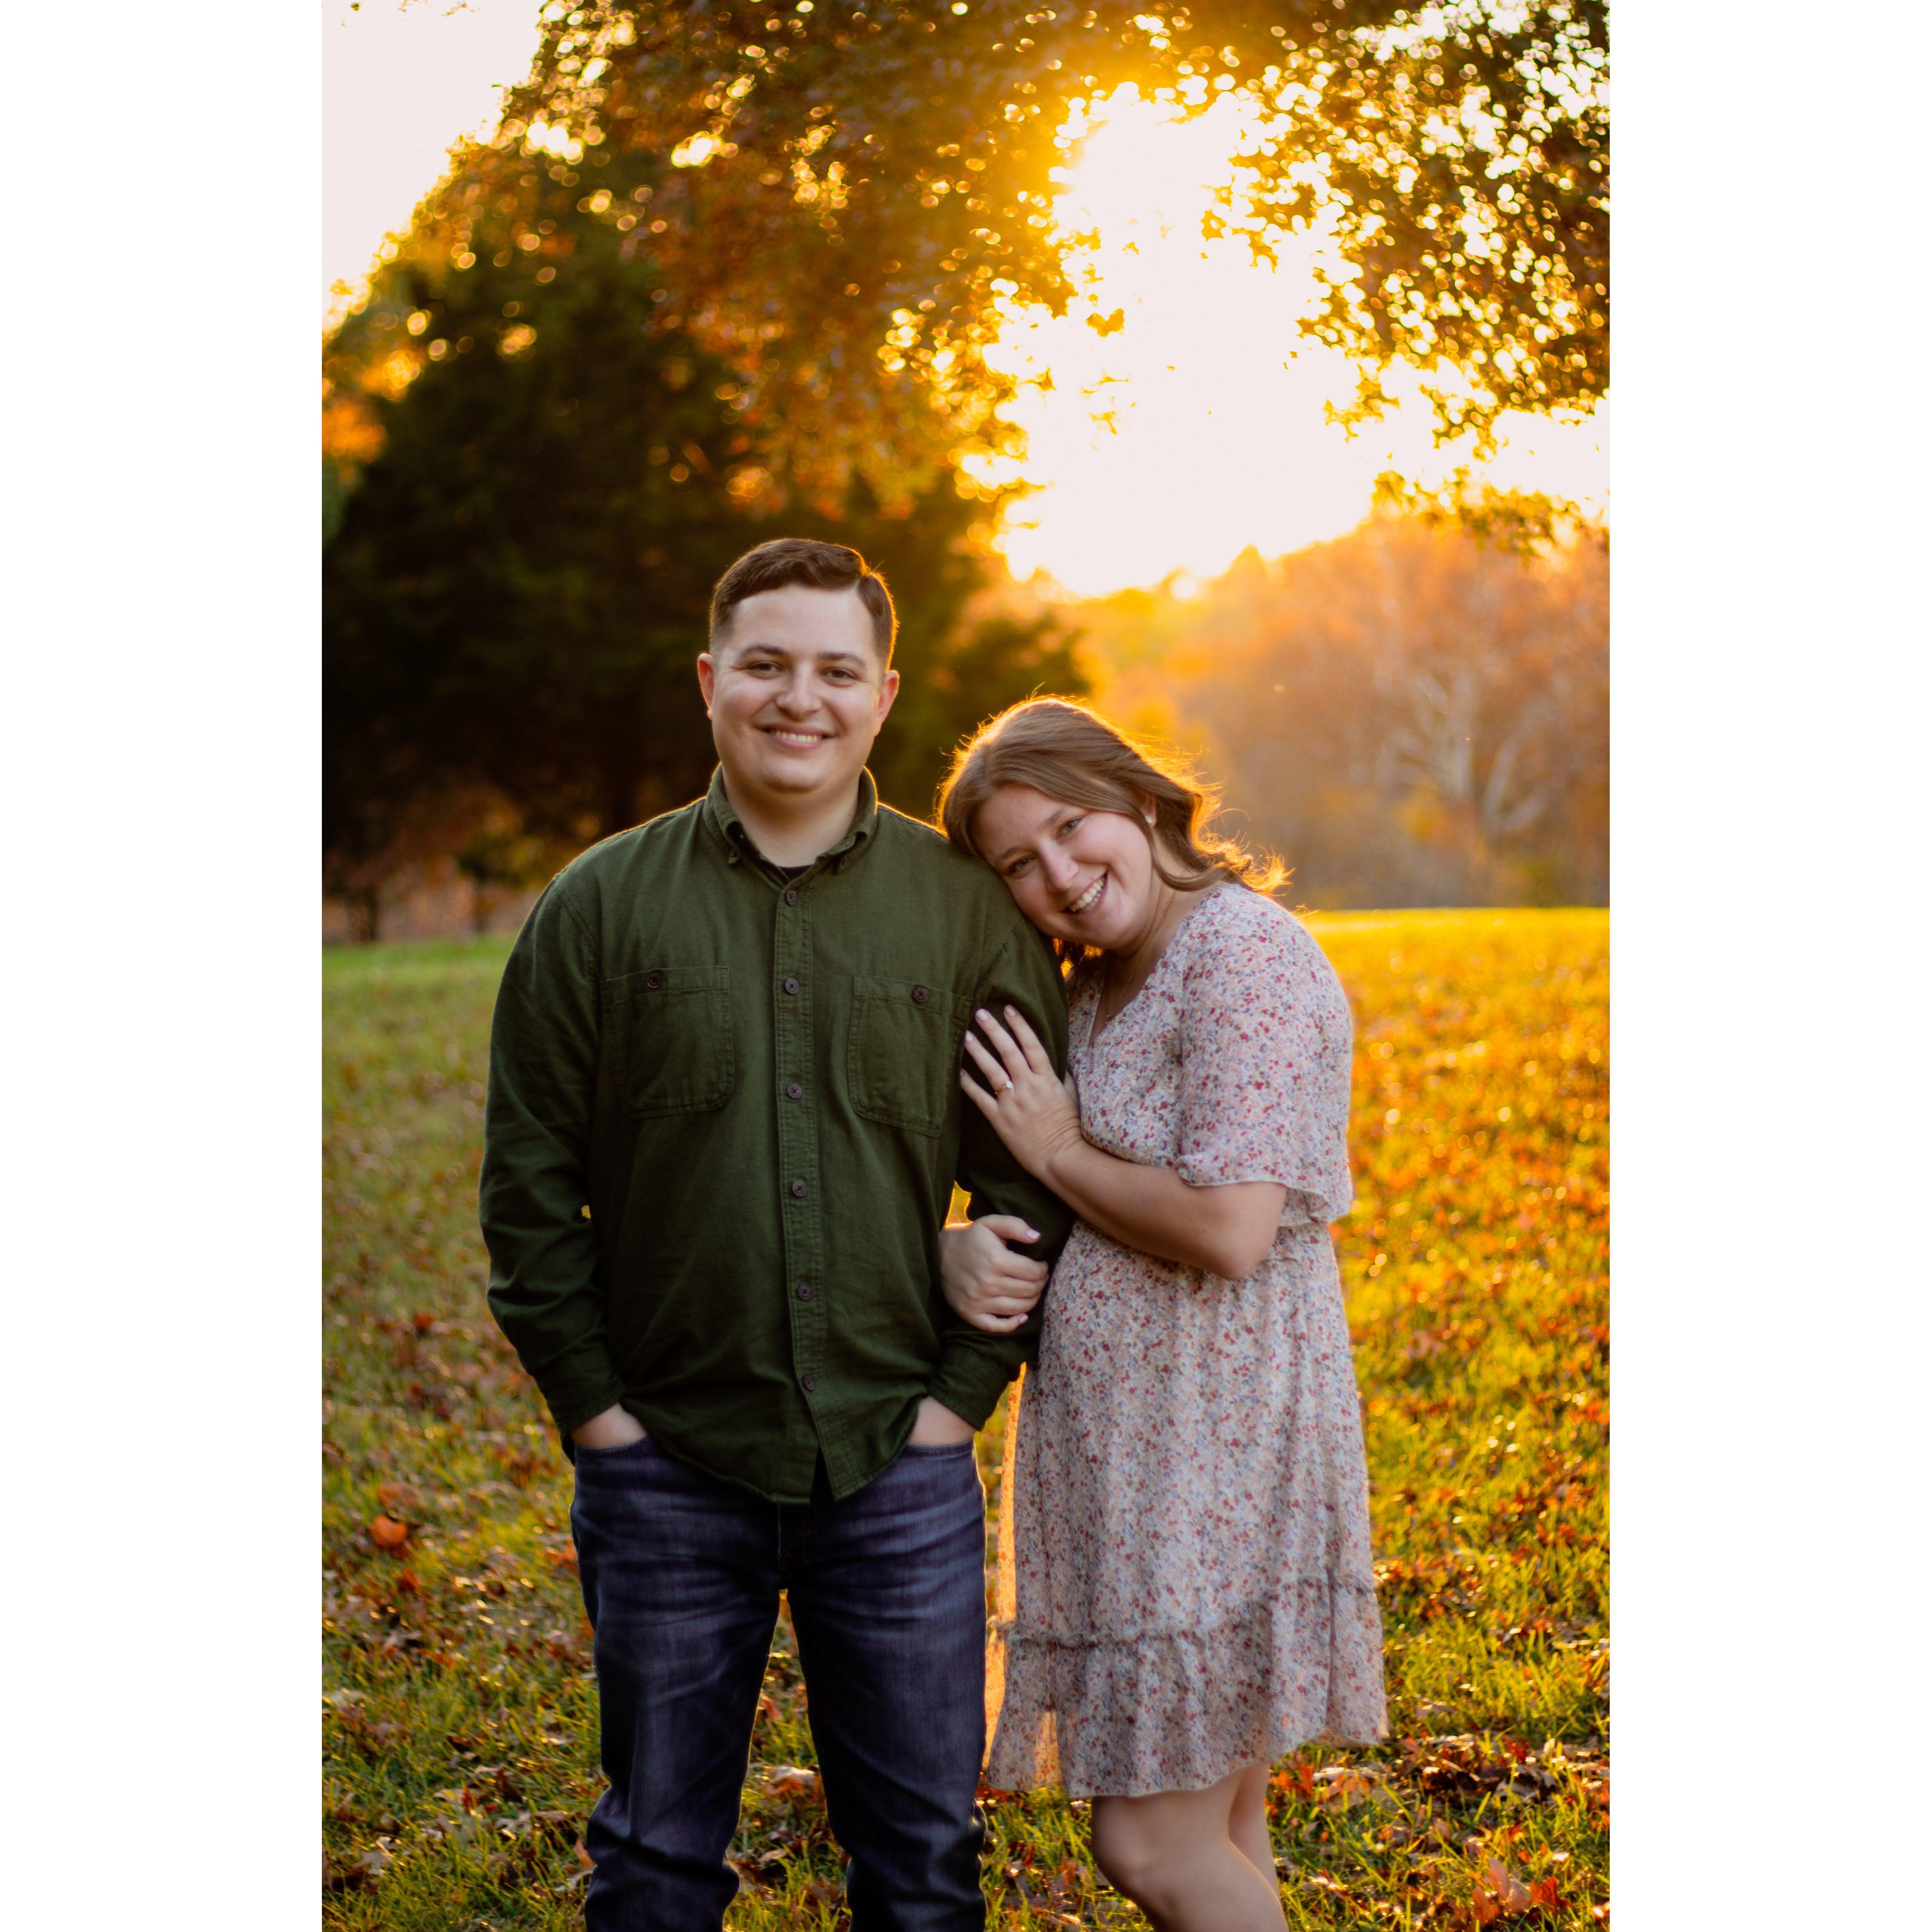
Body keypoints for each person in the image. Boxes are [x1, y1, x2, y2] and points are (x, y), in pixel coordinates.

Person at [478, 539, 1074, 1932]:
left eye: (833, 670)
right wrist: (598, 1414)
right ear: (708, 682)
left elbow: (1033, 1175)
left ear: (882, 695)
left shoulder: (967, 909)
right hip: (668, 1459)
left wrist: (956, 1403)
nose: (796, 697)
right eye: (763, 664)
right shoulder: (598, 908)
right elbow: (528, 1188)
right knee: (654, 1865)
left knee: (923, 1869)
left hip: (898, 1456)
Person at [933, 698, 1387, 1932]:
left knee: (1149, 1835)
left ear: (1137, 800)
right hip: (1142, 1453)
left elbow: (1229, 1226)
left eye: (1073, 830)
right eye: (1018, 864)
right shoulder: (1100, 981)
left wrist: (1056, 1144)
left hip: (1215, 1442)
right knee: (1220, 1824)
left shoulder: (1241, 953)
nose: (1061, 878)